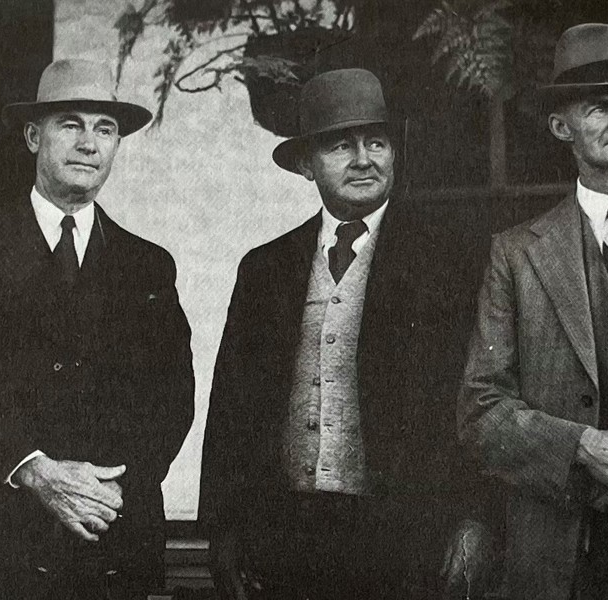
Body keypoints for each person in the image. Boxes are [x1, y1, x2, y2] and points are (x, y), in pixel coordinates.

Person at [200, 68, 490, 600]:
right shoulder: (266, 268)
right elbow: (231, 409)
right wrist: (223, 530)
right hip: (285, 539)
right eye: (340, 146)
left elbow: (482, 396)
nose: (363, 159)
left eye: (376, 142)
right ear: (306, 165)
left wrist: (476, 517)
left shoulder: (449, 258)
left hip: (407, 540)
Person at [0, 59, 195, 600]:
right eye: (70, 124)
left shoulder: (147, 265)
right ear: (34, 137)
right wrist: (31, 469)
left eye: (105, 129)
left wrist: (109, 489)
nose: (88, 144)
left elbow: (172, 399)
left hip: (113, 541)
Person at [459, 19, 608, 600]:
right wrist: (584, 447)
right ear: (561, 126)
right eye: (601, 108)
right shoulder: (516, 254)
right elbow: (480, 412)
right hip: (562, 562)